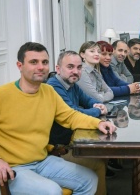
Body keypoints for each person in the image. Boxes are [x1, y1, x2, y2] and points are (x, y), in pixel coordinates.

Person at [0, 42, 116, 194]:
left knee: (89, 179)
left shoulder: (48, 91)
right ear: (20, 66)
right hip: (9, 168)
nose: (41, 67)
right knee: (52, 191)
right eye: (34, 62)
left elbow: (70, 116)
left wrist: (98, 123)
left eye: (44, 62)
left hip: (41, 161)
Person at [46, 50, 114, 194]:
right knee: (99, 164)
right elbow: (73, 112)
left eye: (79, 67)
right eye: (70, 67)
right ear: (58, 69)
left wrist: (97, 105)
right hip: (57, 149)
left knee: (103, 155)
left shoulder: (72, 84)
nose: (75, 71)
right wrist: (98, 110)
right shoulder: (53, 86)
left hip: (71, 139)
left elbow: (88, 100)